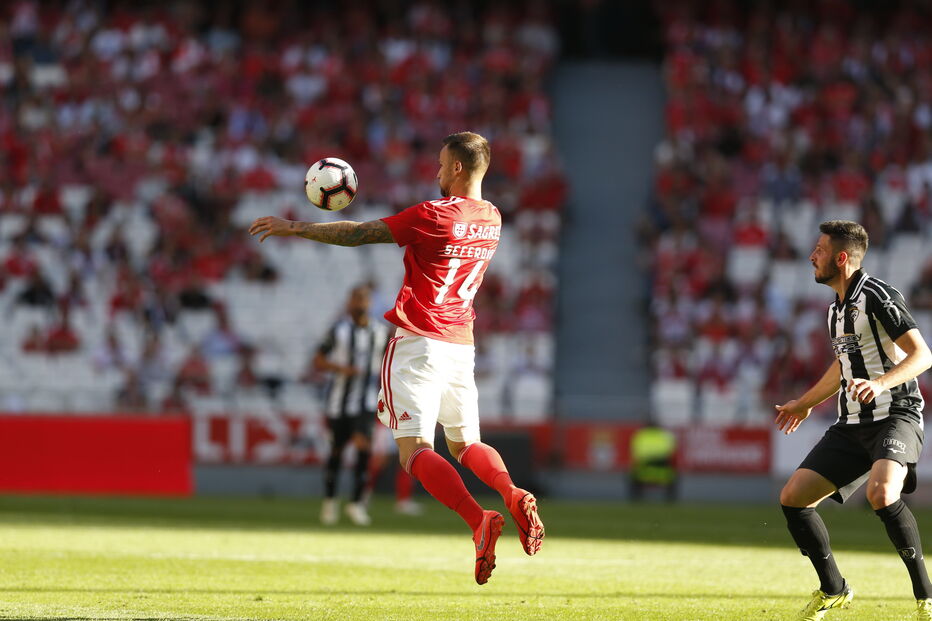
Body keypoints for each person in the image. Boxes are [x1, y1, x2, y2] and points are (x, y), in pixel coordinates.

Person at [250, 131, 544, 585]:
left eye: (443, 165)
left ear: (459, 170)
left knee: (414, 451)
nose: (437, 172)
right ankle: (510, 490)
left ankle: (477, 521)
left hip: (417, 341)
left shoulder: (433, 215)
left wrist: (297, 227)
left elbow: (360, 233)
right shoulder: (492, 218)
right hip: (461, 343)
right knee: (466, 444)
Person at [775, 220, 932, 621]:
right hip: (853, 423)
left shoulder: (878, 295)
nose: (813, 256)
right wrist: (806, 403)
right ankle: (834, 589)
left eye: (820, 250)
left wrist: (880, 384)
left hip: (896, 414)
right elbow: (841, 366)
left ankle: (925, 597)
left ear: (841, 258)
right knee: (793, 497)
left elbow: (922, 356)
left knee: (881, 493)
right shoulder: (835, 311)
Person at [315, 284, 390, 527]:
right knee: (336, 452)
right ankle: (330, 501)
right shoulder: (338, 331)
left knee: (363, 447)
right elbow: (318, 359)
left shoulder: (381, 331)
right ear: (349, 303)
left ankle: (356, 502)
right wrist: (341, 369)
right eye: (355, 299)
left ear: (369, 303)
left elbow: (391, 359)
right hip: (338, 402)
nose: (359, 304)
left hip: (367, 401)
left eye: (363, 300)